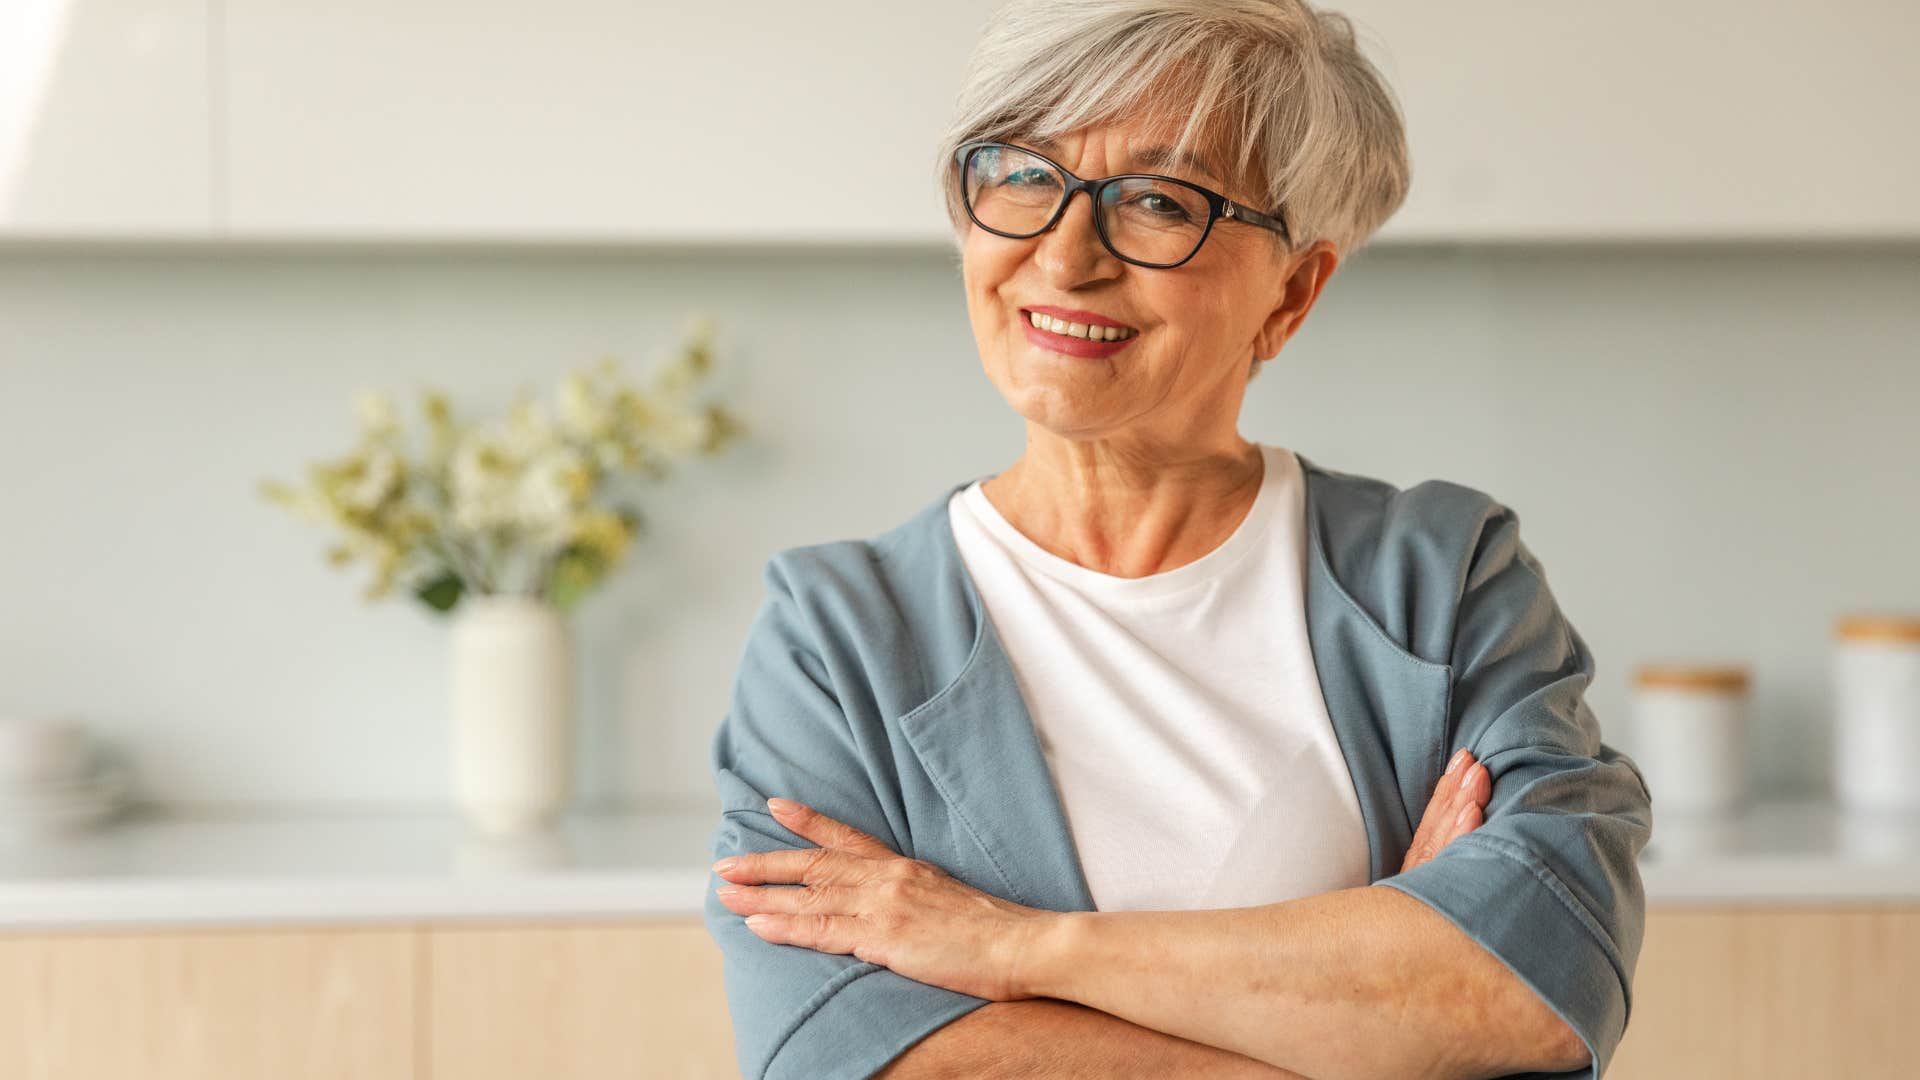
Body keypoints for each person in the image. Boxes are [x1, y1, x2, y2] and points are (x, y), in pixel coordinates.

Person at [703, 1, 1652, 1077]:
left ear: (1291, 293)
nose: (1065, 257)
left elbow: (1539, 980)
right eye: (1024, 174)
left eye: (1159, 200)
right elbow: (839, 1056)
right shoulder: (838, 640)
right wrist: (1370, 1023)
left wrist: (1015, 949)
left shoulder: (1439, 580)